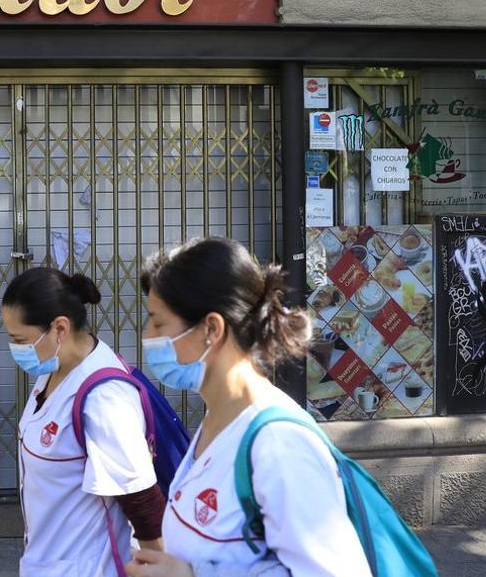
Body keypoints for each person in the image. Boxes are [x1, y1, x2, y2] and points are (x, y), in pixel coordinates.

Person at [126, 237, 370, 577]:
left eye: (158, 322)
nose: (147, 336)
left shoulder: (279, 444)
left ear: (211, 328)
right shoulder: (219, 419)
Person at [2, 267, 166, 576]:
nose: (15, 349)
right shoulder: (54, 370)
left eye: (20, 339)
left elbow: (142, 502)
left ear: (59, 329)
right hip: (47, 561)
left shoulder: (105, 398)